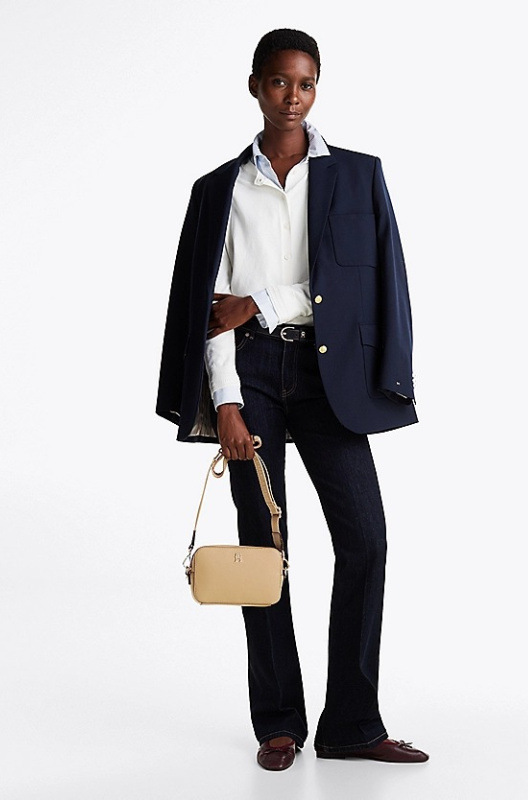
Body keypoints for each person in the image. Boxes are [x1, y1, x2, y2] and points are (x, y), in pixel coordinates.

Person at [156, 28, 429, 771]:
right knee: (262, 548)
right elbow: (210, 311)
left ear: (317, 87)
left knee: (365, 540)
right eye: (279, 82)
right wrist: (226, 404)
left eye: (305, 83)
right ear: (256, 85)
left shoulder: (358, 176)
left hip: (327, 376)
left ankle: (352, 724)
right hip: (251, 378)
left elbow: (361, 285)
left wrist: (262, 301)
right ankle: (278, 723)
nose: (292, 97)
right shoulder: (218, 189)